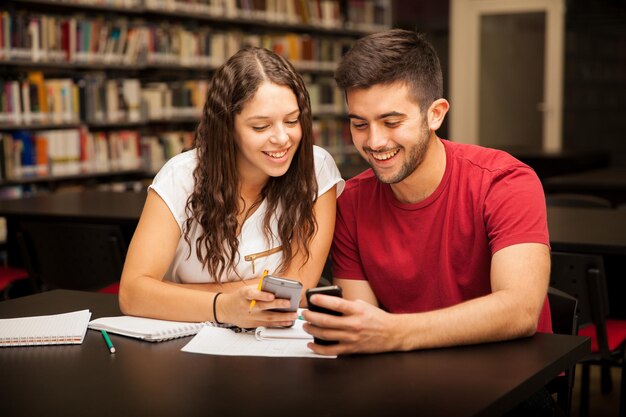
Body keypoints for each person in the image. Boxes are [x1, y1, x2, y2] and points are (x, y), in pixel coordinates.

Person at [302, 29, 552, 355]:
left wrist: (394, 332)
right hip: (402, 376)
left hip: (511, 380)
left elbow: (520, 310)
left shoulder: (505, 182)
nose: (374, 142)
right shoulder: (350, 202)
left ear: (435, 114)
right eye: (360, 124)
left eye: (391, 122)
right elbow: (363, 329)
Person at [119, 47, 344, 330]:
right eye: (261, 126)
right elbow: (133, 294)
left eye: (292, 120)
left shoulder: (316, 168)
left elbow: (296, 288)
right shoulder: (181, 177)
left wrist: (169, 293)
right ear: (227, 127)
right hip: (186, 342)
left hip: (271, 345)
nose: (283, 138)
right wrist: (224, 306)